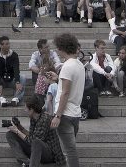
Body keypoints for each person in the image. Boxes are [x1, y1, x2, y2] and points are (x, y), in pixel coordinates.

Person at [5, 94, 66, 166]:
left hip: (51, 155)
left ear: (31, 110)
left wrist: (17, 131)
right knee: (10, 134)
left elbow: (32, 141)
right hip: (37, 150)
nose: (25, 110)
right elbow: (30, 136)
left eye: (26, 108)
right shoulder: (33, 118)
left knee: (36, 142)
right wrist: (19, 127)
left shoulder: (44, 119)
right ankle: (26, 163)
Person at [51, 32, 83, 167]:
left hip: (65, 114)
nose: (57, 50)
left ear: (62, 47)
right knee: (68, 149)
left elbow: (65, 93)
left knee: (69, 150)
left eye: (58, 47)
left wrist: (57, 115)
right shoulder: (79, 64)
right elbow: (70, 86)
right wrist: (57, 79)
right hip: (75, 112)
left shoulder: (66, 66)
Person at [0, 35, 26, 107]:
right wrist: (0, 84)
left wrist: (17, 81)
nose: (8, 46)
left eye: (8, 43)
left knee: (23, 77)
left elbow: (16, 69)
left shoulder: (14, 55)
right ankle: (1, 98)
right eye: (6, 44)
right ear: (0, 46)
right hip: (2, 81)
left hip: (12, 80)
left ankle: (16, 98)